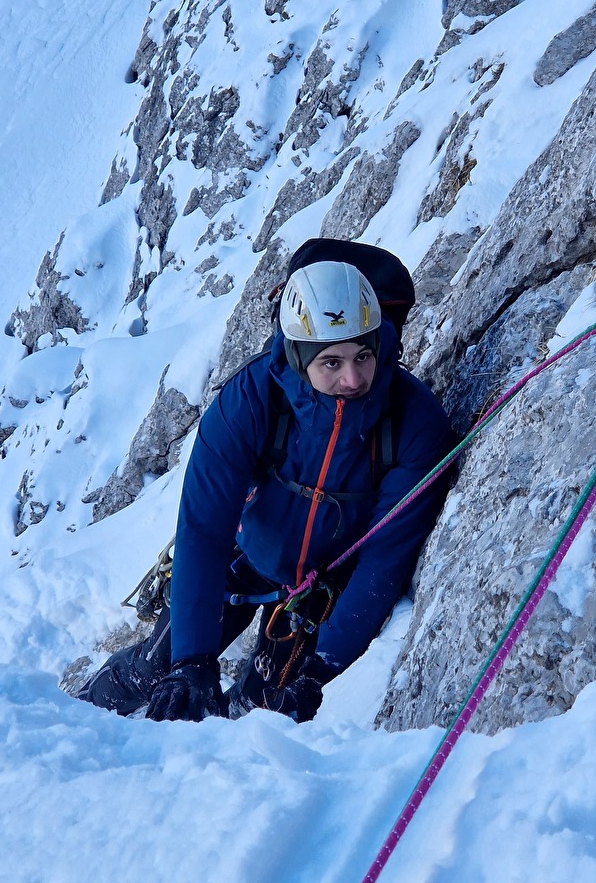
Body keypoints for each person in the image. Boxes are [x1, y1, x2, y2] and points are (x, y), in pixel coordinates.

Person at [78, 256, 453, 723]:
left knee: (258, 715)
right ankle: (73, 714)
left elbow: (384, 559)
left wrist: (319, 670)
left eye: (363, 356)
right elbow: (203, 530)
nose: (352, 379)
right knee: (157, 668)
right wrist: (191, 661)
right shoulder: (249, 401)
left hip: (322, 587)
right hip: (245, 553)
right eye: (331, 362)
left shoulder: (416, 423)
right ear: (297, 357)